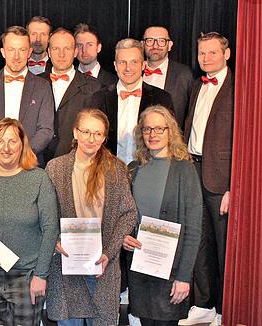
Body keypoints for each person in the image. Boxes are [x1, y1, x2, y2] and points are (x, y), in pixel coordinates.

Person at [45, 108, 138, 325]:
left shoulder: (115, 168)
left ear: (104, 138)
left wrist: (109, 252)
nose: (91, 138)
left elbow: (128, 214)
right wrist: (56, 239)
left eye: (97, 134)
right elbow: (47, 214)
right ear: (75, 133)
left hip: (102, 267)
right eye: (86, 132)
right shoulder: (55, 168)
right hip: (67, 265)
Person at [0, 118, 59, 325]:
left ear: (22, 144)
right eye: (0, 141)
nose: (6, 148)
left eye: (12, 141)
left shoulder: (39, 179)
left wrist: (40, 275)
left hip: (26, 277)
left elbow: (50, 229)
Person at [123, 105, 202, 325]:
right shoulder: (133, 168)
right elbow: (126, 216)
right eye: (147, 129)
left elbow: (194, 230)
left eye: (159, 128)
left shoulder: (185, 170)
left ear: (170, 132)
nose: (153, 134)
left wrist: (184, 277)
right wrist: (125, 236)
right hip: (140, 269)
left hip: (172, 273)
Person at [181, 32, 234, 326]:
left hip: (220, 179)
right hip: (194, 170)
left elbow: (244, 143)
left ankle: (226, 309)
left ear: (226, 54)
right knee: (197, 241)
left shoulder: (237, 88)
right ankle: (204, 305)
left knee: (223, 246)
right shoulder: (198, 85)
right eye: (202, 53)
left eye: (213, 53)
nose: (206, 58)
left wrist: (232, 187)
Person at [87, 38, 174, 165]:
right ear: (115, 65)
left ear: (143, 65)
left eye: (134, 62)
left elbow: (170, 139)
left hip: (148, 171)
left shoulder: (162, 98)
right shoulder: (98, 98)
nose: (128, 68)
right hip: (108, 172)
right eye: (122, 62)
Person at [0, 26, 54, 161]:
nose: (16, 56)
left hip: (30, 163)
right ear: (3, 52)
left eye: (22, 50)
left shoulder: (43, 87)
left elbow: (46, 130)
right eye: (11, 50)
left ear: (29, 52)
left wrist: (24, 154)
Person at [38, 28, 101, 160]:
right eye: (56, 49)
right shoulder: (34, 83)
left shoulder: (94, 87)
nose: (61, 54)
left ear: (75, 52)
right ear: (49, 52)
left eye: (67, 49)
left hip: (76, 163)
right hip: (37, 161)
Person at [141, 26, 194, 128]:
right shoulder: (134, 72)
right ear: (142, 44)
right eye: (150, 40)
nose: (155, 45)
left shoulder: (184, 75)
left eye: (161, 41)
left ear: (169, 45)